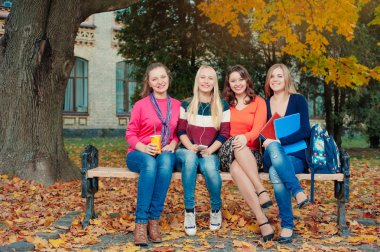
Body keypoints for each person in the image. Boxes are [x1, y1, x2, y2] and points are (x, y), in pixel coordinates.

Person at [125, 62, 181, 246]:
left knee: (165, 164)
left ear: (169, 78)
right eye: (154, 79)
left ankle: (153, 220)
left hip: (164, 151)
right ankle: (141, 223)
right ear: (149, 83)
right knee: (149, 164)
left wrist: (173, 144)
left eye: (163, 77)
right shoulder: (141, 105)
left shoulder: (177, 105)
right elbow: (130, 134)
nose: (159, 82)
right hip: (139, 153)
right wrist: (143, 147)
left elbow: (178, 134)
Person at [218, 65, 274, 241]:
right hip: (227, 150)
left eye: (240, 79)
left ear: (247, 80)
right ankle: (261, 189)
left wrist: (245, 137)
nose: (237, 83)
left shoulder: (259, 102)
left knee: (236, 167)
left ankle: (262, 219)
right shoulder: (225, 105)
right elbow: (222, 131)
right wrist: (239, 139)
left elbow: (258, 130)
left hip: (252, 155)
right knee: (237, 144)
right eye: (233, 80)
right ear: (229, 84)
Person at [175, 65, 230, 236]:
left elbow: (225, 134)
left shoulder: (222, 105)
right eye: (203, 77)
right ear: (197, 80)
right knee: (191, 158)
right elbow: (181, 131)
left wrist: (210, 150)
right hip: (186, 151)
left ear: (215, 82)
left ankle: (215, 209)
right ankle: (189, 211)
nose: (206, 81)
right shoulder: (186, 104)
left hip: (209, 152)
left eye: (210, 78)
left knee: (209, 168)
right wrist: (190, 146)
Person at [262, 63, 311, 244]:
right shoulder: (265, 104)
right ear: (268, 80)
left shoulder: (298, 100)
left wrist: (280, 141)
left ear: (286, 79)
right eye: (272, 76)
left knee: (276, 172)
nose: (275, 79)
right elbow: (261, 134)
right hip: (271, 154)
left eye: (280, 76)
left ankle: (287, 226)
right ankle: (298, 191)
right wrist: (271, 142)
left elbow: (305, 130)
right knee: (273, 147)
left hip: (295, 155)